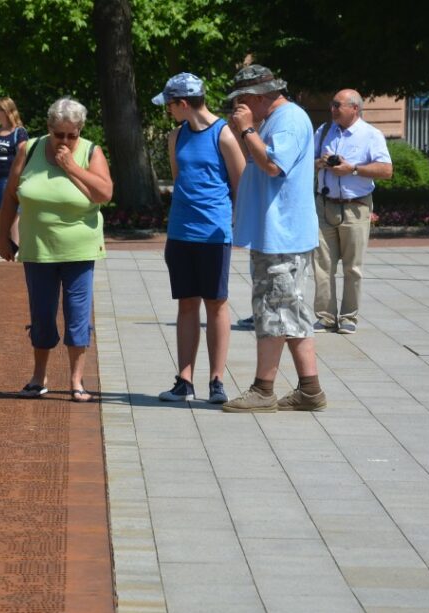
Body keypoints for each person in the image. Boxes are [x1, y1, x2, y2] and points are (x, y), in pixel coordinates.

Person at [222, 64, 327, 413]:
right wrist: (248, 131)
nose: (238, 107)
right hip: (275, 233)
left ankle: (263, 389)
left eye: (242, 100)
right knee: (287, 311)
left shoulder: (290, 119)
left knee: (276, 311)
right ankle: (309, 389)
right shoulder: (273, 121)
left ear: (257, 96)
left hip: (284, 235)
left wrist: (248, 129)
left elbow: (273, 165)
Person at [0, 97, 113, 402]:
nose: (65, 141)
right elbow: (11, 196)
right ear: (48, 128)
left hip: (80, 248)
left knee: (77, 315)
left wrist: (71, 167)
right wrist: (2, 237)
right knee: (42, 314)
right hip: (37, 248)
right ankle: (39, 377)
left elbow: (104, 193)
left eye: (71, 135)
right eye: (59, 134)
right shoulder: (29, 149)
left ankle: (76, 381)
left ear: (80, 131)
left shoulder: (90, 151)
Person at [152, 73, 245, 404]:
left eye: (170, 106)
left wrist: (237, 229)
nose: (168, 112)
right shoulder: (175, 136)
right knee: (186, 304)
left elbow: (240, 185)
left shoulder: (224, 135)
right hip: (180, 233)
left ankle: (217, 381)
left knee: (216, 304)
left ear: (182, 103)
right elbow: (180, 183)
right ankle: (185, 380)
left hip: (213, 234)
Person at [313, 89, 393, 334]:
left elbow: (386, 170)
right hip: (324, 205)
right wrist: (321, 163)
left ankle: (349, 317)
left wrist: (353, 169)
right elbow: (309, 161)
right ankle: (325, 317)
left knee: (352, 267)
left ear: (354, 108)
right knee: (321, 265)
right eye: (332, 104)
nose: (333, 109)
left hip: (355, 206)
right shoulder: (324, 131)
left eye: (338, 105)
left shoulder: (371, 134)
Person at [0, 97, 28, 253]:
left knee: (14, 213)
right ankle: (2, 246)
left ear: (7, 111)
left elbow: (23, 155)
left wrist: (19, 178)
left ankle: (15, 247)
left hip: (10, 178)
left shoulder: (19, 132)